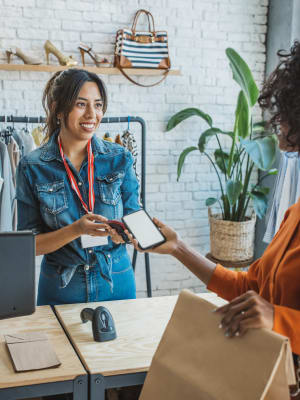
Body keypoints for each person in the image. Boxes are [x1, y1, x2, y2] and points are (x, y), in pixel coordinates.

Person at [126, 41, 300, 397]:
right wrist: (178, 248)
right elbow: (248, 288)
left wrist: (278, 319)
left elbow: (270, 311)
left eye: (284, 112)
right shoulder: (293, 214)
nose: (277, 122)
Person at [16, 69, 140, 306]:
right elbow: (28, 246)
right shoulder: (31, 167)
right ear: (58, 109)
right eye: (81, 104)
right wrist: (75, 230)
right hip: (61, 287)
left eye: (98, 104)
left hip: (116, 281)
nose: (92, 114)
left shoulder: (120, 158)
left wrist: (128, 235)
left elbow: (135, 218)